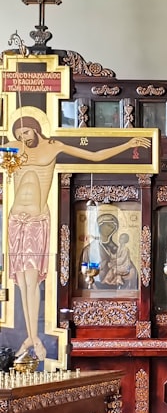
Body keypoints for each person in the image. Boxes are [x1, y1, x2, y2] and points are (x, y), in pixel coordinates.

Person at [8, 114, 150, 358]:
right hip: (14, 221)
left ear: (36, 129)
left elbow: (94, 155)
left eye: (27, 133)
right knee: (21, 283)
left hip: (36, 221)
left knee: (32, 280)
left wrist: (128, 144)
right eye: (20, 136)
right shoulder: (13, 151)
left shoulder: (54, 147)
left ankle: (36, 339)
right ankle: (31, 337)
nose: (24, 139)